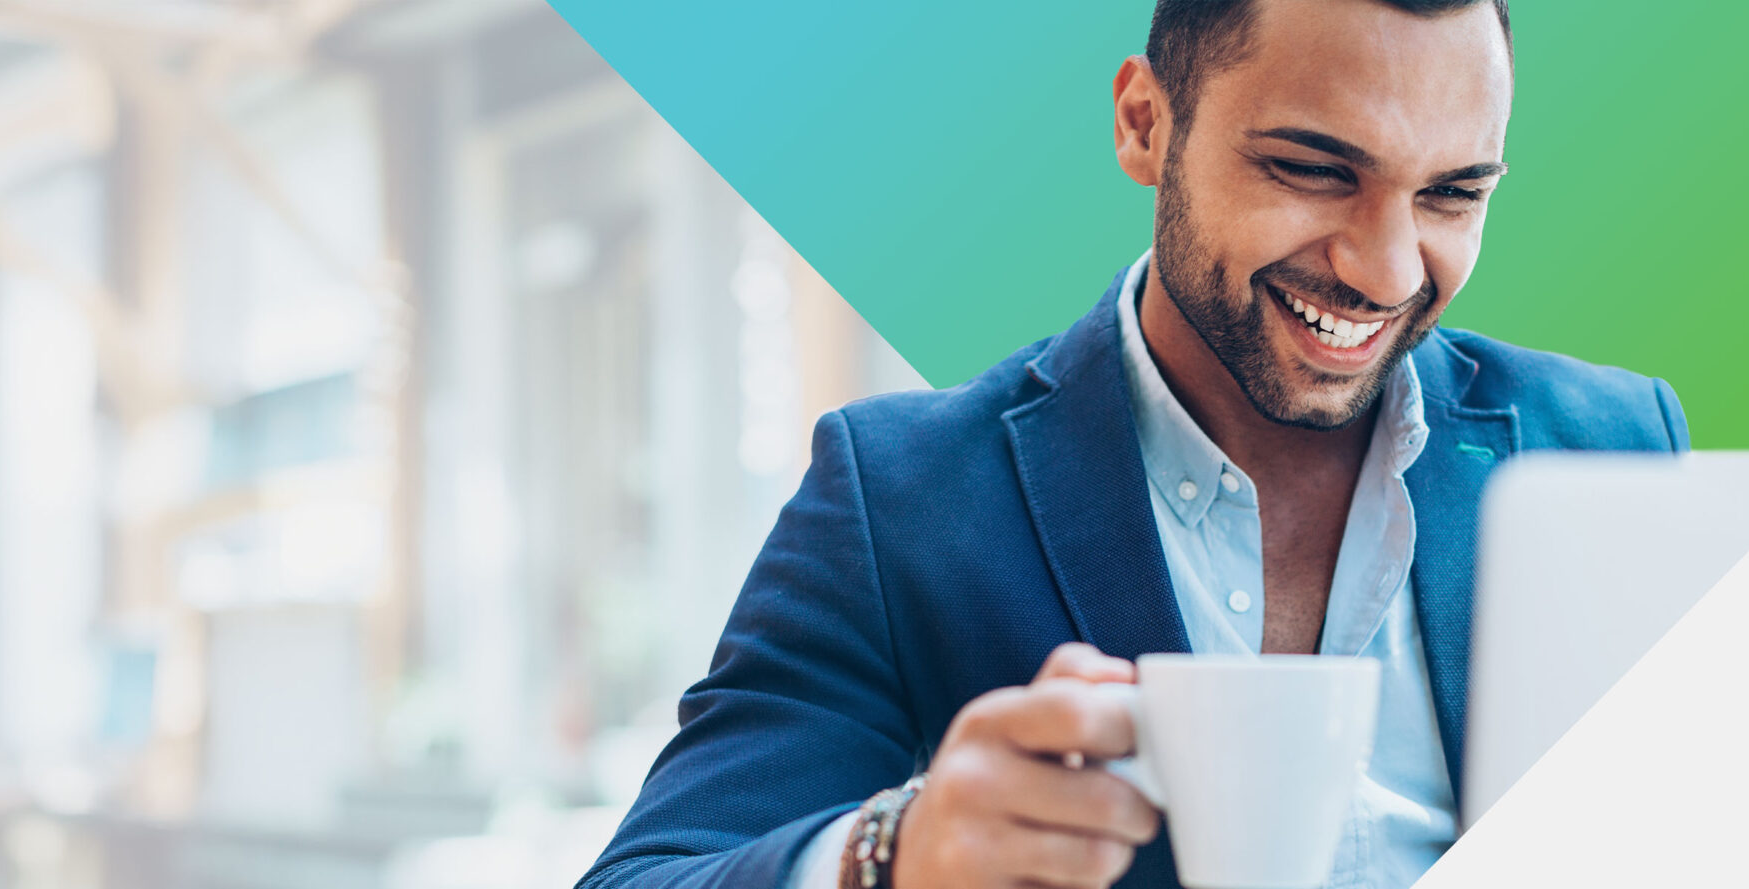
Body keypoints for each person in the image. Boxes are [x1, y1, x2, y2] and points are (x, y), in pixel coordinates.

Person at [578, 1, 1686, 888]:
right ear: (1145, 125)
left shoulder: (1611, 449)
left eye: (1449, 194)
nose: (1385, 273)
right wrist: (893, 857)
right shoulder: (899, 496)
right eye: (1311, 168)